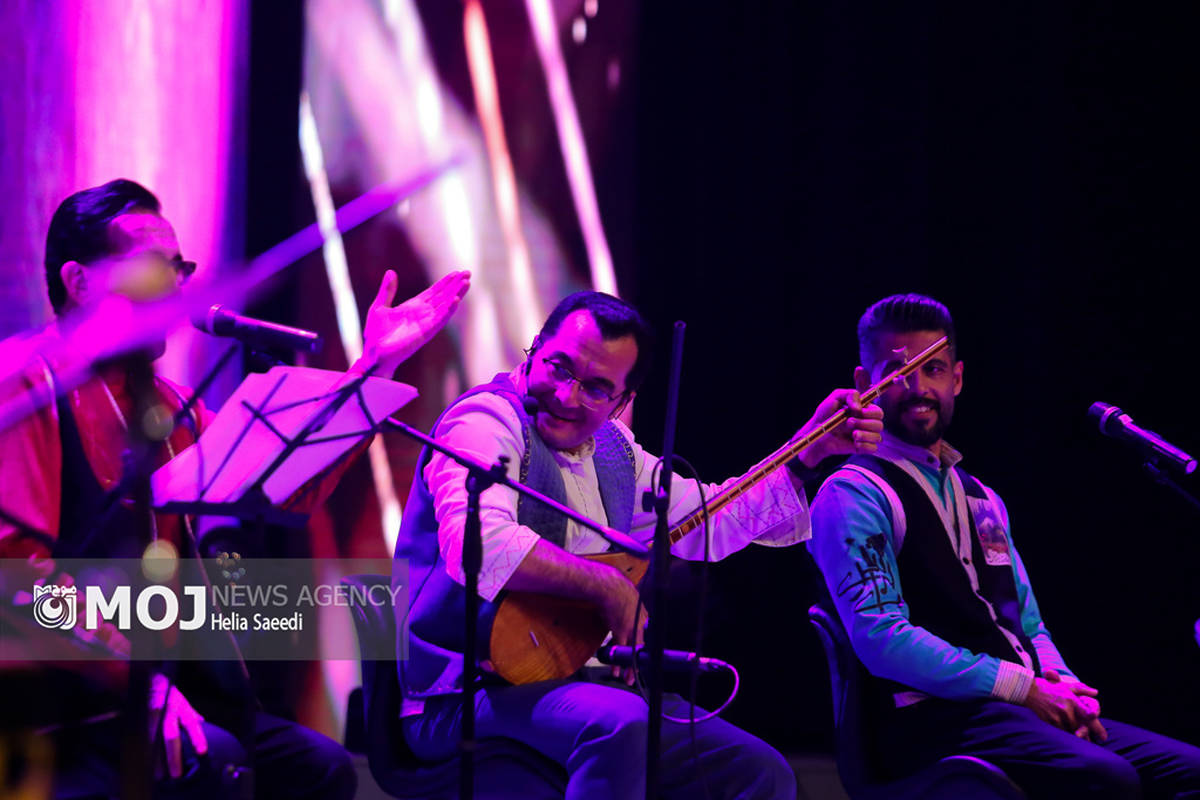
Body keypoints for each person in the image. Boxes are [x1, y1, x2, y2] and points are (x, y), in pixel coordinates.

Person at [0, 178, 469, 798]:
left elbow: (289, 481)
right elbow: (18, 582)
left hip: (157, 685)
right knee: (218, 764)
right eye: (150, 266)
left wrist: (376, 364)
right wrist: (143, 682)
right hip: (60, 694)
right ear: (78, 281)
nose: (174, 287)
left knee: (321, 770)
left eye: (178, 268)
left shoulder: (169, 405)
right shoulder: (26, 382)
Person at [392, 290, 884, 799]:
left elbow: (711, 519)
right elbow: (478, 542)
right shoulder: (484, 422)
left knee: (758, 771)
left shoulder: (615, 451)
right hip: (462, 693)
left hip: (583, 684)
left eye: (595, 388)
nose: (566, 396)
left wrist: (809, 451)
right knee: (621, 724)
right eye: (558, 368)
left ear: (622, 402)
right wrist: (607, 586)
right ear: (535, 348)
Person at [808, 292, 1200, 799]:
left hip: (1015, 709)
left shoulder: (982, 497)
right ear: (865, 384)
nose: (918, 388)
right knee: (1107, 778)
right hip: (928, 721)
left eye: (933, 370)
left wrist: (1063, 687)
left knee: (1190, 771)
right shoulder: (854, 492)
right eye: (897, 372)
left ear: (957, 378)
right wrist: (1024, 688)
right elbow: (882, 638)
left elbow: (1029, 626)